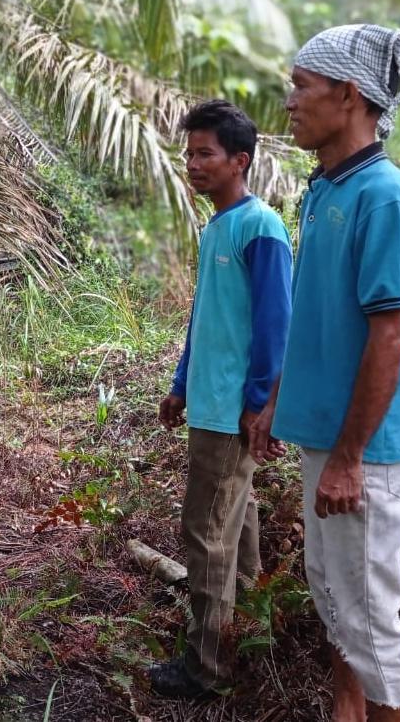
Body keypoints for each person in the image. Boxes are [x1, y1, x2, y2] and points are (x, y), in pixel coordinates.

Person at [250, 25, 400, 722]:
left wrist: (351, 457)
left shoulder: (385, 197)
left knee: (371, 620)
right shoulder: (324, 191)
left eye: (302, 86)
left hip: (366, 451)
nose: (290, 102)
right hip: (328, 439)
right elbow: (318, 320)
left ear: (349, 95)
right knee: (335, 599)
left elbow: (391, 335)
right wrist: (279, 403)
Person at [150, 99, 293, 698]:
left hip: (232, 411)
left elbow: (276, 325)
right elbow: (206, 321)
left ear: (241, 160)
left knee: (205, 531)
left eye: (205, 153)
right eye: (189, 153)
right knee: (237, 521)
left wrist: (259, 404)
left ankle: (207, 668)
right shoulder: (218, 227)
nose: (193, 163)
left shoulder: (261, 228)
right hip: (208, 402)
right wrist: (181, 386)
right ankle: (246, 635)